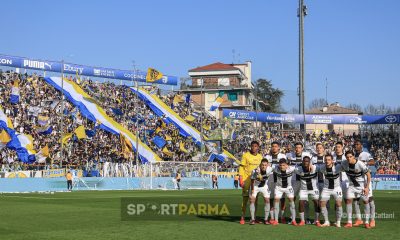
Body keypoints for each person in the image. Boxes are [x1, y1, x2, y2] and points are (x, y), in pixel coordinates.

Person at [342, 151, 372, 229]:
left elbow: (368, 174)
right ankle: (349, 222)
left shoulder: (360, 164)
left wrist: (367, 187)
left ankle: (366, 222)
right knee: (348, 201)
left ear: (354, 156)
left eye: (350, 156)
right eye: (347, 157)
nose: (349, 158)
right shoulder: (344, 163)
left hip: (361, 186)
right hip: (351, 186)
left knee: (365, 201)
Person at [238, 141, 263, 225]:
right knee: (245, 199)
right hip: (247, 180)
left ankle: (253, 218)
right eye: (252, 146)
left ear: (258, 147)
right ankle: (242, 217)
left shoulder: (260, 156)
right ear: (250, 147)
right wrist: (240, 179)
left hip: (256, 180)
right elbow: (241, 167)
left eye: (256, 146)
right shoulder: (246, 155)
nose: (254, 148)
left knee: (255, 199)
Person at [287, 142, 312, 223]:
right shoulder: (289, 155)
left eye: (299, 147)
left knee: (305, 200)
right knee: (292, 199)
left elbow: (310, 165)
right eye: (296, 147)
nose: (297, 149)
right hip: (293, 180)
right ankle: (292, 218)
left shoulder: (307, 155)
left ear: (302, 148)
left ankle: (307, 218)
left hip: (304, 180)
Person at [353, 139, 376, 228]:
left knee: (369, 199)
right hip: (357, 180)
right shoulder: (353, 155)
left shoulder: (365, 154)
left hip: (366, 179)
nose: (356, 146)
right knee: (356, 199)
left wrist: (363, 162)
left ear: (361, 145)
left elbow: (373, 162)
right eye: (355, 144)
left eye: (357, 144)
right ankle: (359, 219)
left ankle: (372, 220)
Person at [317, 154, 343, 227]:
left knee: (338, 204)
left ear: (332, 160)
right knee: (322, 203)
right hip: (326, 188)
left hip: (336, 188)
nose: (327, 161)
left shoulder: (337, 167)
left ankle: (338, 221)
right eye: (326, 160)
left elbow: (346, 167)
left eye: (329, 160)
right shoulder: (322, 167)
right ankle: (326, 221)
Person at [295, 156, 320, 226]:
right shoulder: (298, 169)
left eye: (307, 161)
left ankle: (316, 220)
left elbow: (323, 167)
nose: (306, 163)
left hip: (314, 189)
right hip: (304, 189)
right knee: (301, 202)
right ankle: (302, 221)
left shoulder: (315, 168)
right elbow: (291, 168)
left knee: (317, 203)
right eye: (304, 161)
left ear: (310, 162)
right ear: (302, 162)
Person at [265, 141, 287, 223]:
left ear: (278, 147)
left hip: (280, 179)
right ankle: (272, 217)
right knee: (271, 198)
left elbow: (285, 167)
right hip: (270, 179)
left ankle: (282, 216)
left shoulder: (282, 156)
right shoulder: (267, 157)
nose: (274, 147)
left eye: (276, 146)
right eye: (273, 146)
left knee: (282, 198)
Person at [271, 158, 297, 226]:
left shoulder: (291, 168)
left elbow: (299, 167)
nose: (282, 167)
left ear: (286, 165)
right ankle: (276, 220)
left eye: (283, 165)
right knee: (276, 201)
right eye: (280, 165)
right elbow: (268, 167)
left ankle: (293, 220)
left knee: (291, 202)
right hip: (279, 188)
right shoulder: (275, 168)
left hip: (288, 187)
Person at [249, 159, 273, 225]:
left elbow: (276, 166)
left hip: (264, 186)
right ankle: (252, 219)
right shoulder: (254, 171)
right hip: (255, 186)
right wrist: (253, 190)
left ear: (267, 165)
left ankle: (266, 219)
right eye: (262, 165)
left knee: (267, 200)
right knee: (252, 200)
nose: (263, 166)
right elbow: (252, 180)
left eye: (265, 165)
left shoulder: (270, 169)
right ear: (260, 165)